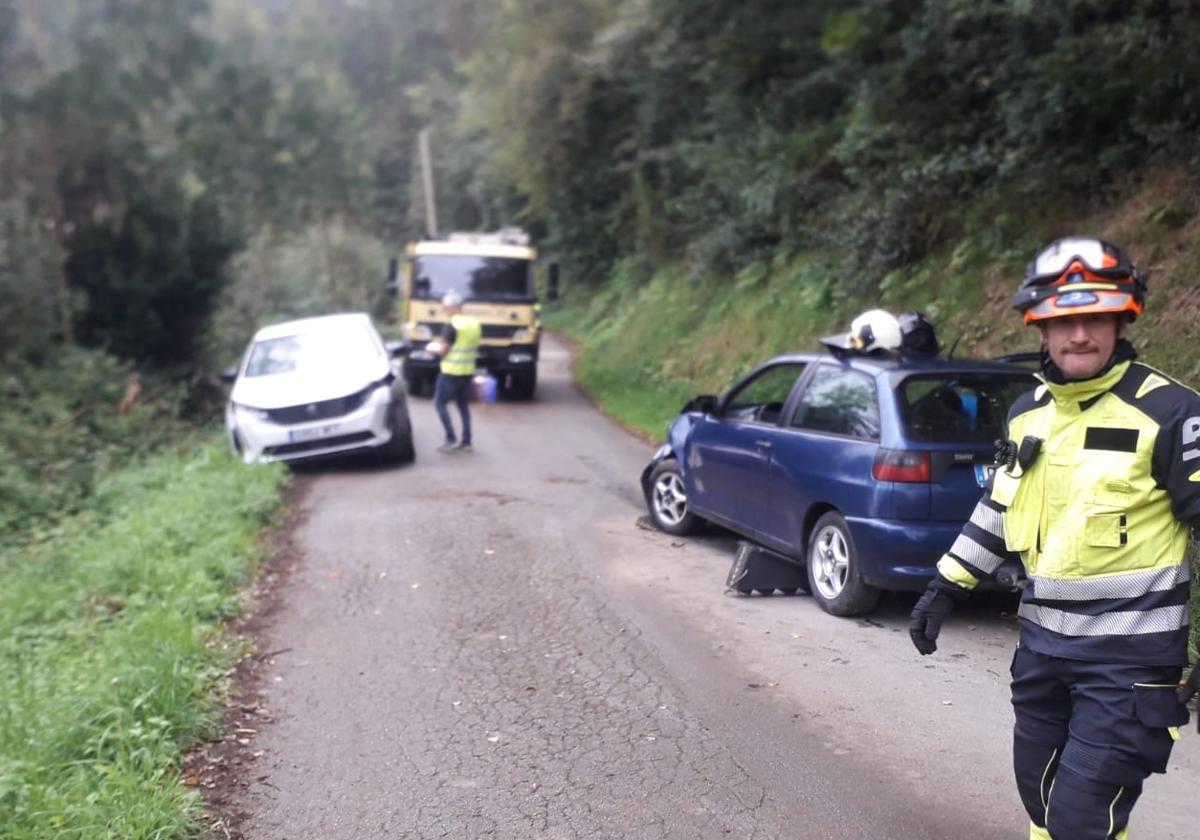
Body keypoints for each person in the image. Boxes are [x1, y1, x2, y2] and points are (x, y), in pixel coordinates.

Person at [908, 236, 1200, 839]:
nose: (1080, 335)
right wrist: (945, 585)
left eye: (1096, 317)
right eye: (1063, 321)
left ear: (1123, 319)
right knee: (1040, 800)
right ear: (1040, 328)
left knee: (1079, 817)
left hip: (1129, 665)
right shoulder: (1027, 413)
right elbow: (998, 508)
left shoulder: (1173, 413)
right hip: (1042, 651)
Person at [430, 291, 481, 453]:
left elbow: (444, 351)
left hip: (450, 372)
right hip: (467, 372)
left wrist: (433, 351)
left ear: (453, 307)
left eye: (445, 307)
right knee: (463, 406)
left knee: (439, 403)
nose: (444, 310)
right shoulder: (474, 324)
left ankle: (450, 439)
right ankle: (467, 442)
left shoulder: (451, 326)